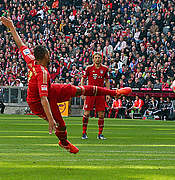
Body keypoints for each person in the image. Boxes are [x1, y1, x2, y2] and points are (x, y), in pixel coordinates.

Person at [0, 17, 132, 154]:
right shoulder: (42, 73)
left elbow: (20, 44)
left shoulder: (31, 59)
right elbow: (44, 99)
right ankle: (64, 143)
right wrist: (50, 120)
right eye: (48, 54)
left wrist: (11, 26)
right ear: (45, 56)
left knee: (78, 89)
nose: (50, 55)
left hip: (50, 91)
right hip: (37, 102)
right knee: (61, 125)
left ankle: (114, 93)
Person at [80, 53, 110, 140]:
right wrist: (83, 91)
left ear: (102, 59)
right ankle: (84, 133)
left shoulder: (105, 69)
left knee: (101, 114)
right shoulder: (89, 68)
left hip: (100, 93)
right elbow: (83, 79)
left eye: (99, 57)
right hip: (90, 93)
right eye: (96, 57)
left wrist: (108, 93)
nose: (97, 59)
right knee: (87, 113)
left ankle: (100, 134)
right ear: (93, 59)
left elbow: (107, 81)